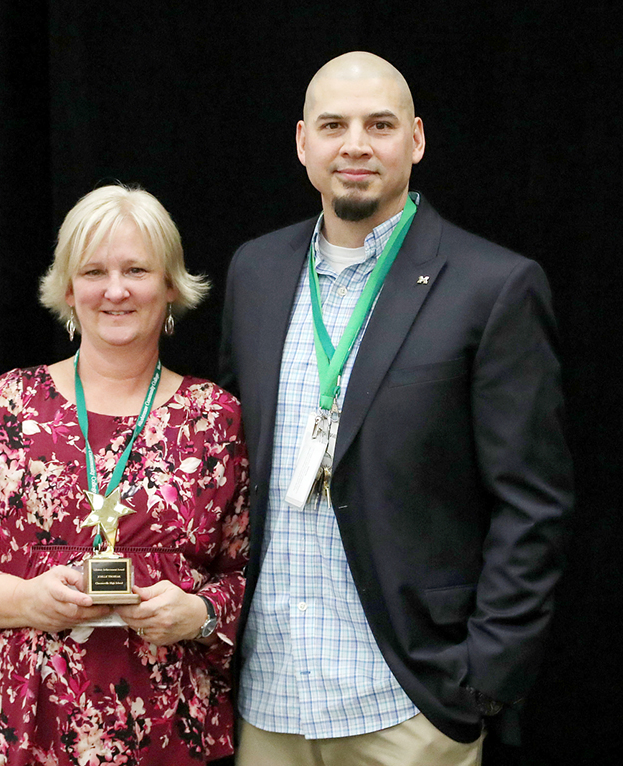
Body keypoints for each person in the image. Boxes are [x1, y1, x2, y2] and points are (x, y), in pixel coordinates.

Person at [220, 52, 572, 765]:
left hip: (407, 703)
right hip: (268, 700)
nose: (355, 144)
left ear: (415, 140)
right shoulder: (254, 272)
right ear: (301, 143)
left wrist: (483, 678)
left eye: (379, 124)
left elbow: (533, 503)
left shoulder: (493, 287)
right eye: (334, 125)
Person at [0, 184, 250, 765]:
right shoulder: (1, 408)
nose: (115, 290)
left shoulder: (215, 419)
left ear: (170, 285)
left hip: (166, 738)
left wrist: (199, 614)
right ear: (68, 288)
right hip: (14, 732)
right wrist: (26, 600)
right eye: (94, 271)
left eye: (137, 269)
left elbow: (254, 576)